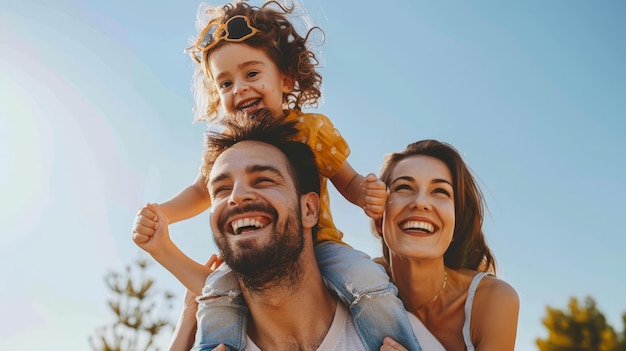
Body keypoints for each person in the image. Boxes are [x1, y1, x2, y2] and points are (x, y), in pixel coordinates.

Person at [133, 1, 422, 350]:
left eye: (251, 74)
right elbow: (200, 191)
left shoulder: (311, 130)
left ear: (285, 79)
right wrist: (163, 214)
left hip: (321, 246)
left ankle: (394, 344)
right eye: (225, 83)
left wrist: (366, 194)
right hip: (261, 248)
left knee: (366, 279)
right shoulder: (225, 149)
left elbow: (348, 180)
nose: (238, 88)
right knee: (216, 297)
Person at [134, 112, 443, 350]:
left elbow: (352, 181)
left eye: (264, 180)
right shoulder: (218, 302)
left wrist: (368, 193)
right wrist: (162, 245)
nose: (237, 195)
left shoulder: (416, 336)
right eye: (222, 188)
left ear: (310, 209)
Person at [374, 140, 520, 351]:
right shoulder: (361, 283)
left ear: (455, 225)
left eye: (440, 191)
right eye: (404, 187)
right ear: (379, 219)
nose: (421, 202)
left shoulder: (493, 300)